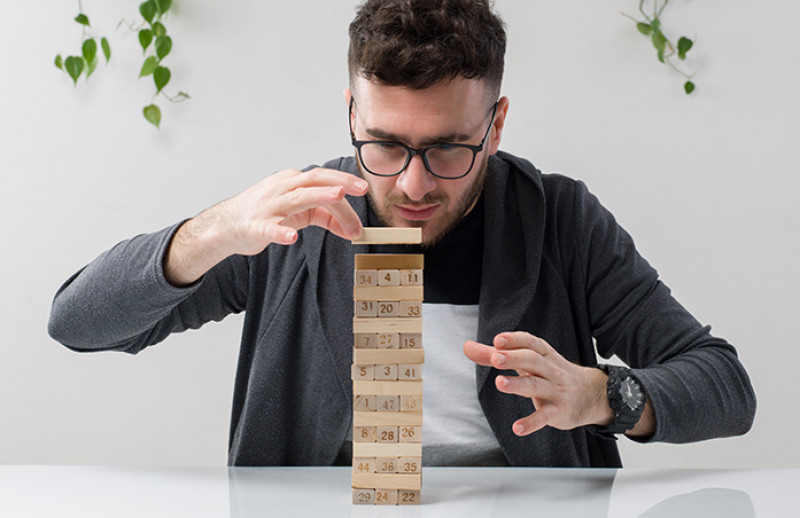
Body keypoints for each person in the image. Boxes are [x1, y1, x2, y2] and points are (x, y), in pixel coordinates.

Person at [48, 0, 755, 467]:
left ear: (497, 125)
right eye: (384, 146)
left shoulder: (560, 221)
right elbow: (77, 323)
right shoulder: (291, 217)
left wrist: (605, 395)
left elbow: (726, 384)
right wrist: (213, 232)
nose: (414, 186)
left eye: (449, 149)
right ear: (352, 114)